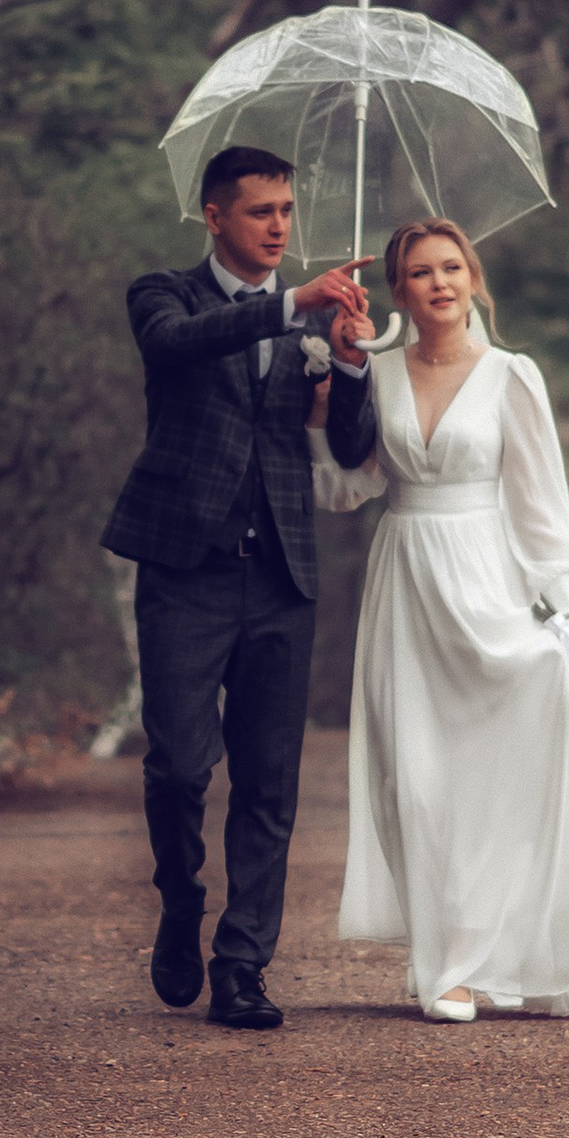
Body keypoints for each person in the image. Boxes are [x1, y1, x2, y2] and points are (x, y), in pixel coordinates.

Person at [315, 217, 569, 1024]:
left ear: (473, 279)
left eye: (452, 267)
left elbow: (541, 510)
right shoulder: (375, 371)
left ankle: (514, 948)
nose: (438, 282)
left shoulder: (512, 375)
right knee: (417, 776)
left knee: (499, 763)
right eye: (419, 271)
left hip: (489, 584)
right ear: (398, 289)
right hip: (406, 580)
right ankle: (443, 963)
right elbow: (349, 483)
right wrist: (333, 378)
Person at [101, 149, 380, 1029]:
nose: (279, 225)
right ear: (215, 217)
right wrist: (290, 306)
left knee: (270, 783)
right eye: (260, 210)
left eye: (288, 209)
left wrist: (352, 361)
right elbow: (174, 346)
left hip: (283, 573)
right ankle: (180, 901)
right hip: (186, 568)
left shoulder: (313, 318)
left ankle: (244, 964)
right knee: (181, 764)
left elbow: (349, 442)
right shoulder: (165, 293)